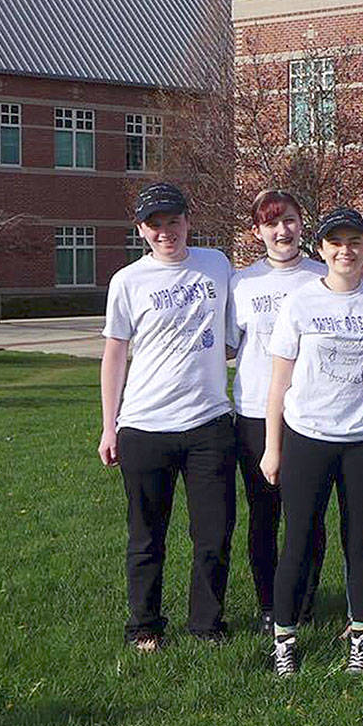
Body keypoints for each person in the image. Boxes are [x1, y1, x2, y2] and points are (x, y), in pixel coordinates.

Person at [260, 207, 363, 676]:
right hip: (309, 437)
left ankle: (360, 634)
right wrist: (273, 446)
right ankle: (285, 639)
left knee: (360, 542)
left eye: (355, 243)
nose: (346, 251)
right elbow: (278, 382)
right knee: (299, 539)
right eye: (336, 243)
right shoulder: (301, 304)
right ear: (320, 249)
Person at [98, 182, 236, 652]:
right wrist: (108, 425)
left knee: (213, 534)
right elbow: (115, 355)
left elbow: (235, 335)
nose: (165, 232)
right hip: (144, 426)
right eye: (154, 225)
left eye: (172, 222)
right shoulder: (128, 281)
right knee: (146, 536)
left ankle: (207, 624)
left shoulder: (216, 265)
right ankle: (145, 625)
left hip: (209, 424)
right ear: (141, 230)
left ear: (187, 221)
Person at [227, 189, 329, 635]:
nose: (282, 230)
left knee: (307, 514)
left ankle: (304, 603)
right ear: (257, 231)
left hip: (309, 412)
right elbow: (231, 345)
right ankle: (269, 603)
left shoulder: (323, 277)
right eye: (271, 223)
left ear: (301, 223)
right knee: (263, 512)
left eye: (288, 220)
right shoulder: (242, 283)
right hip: (253, 411)